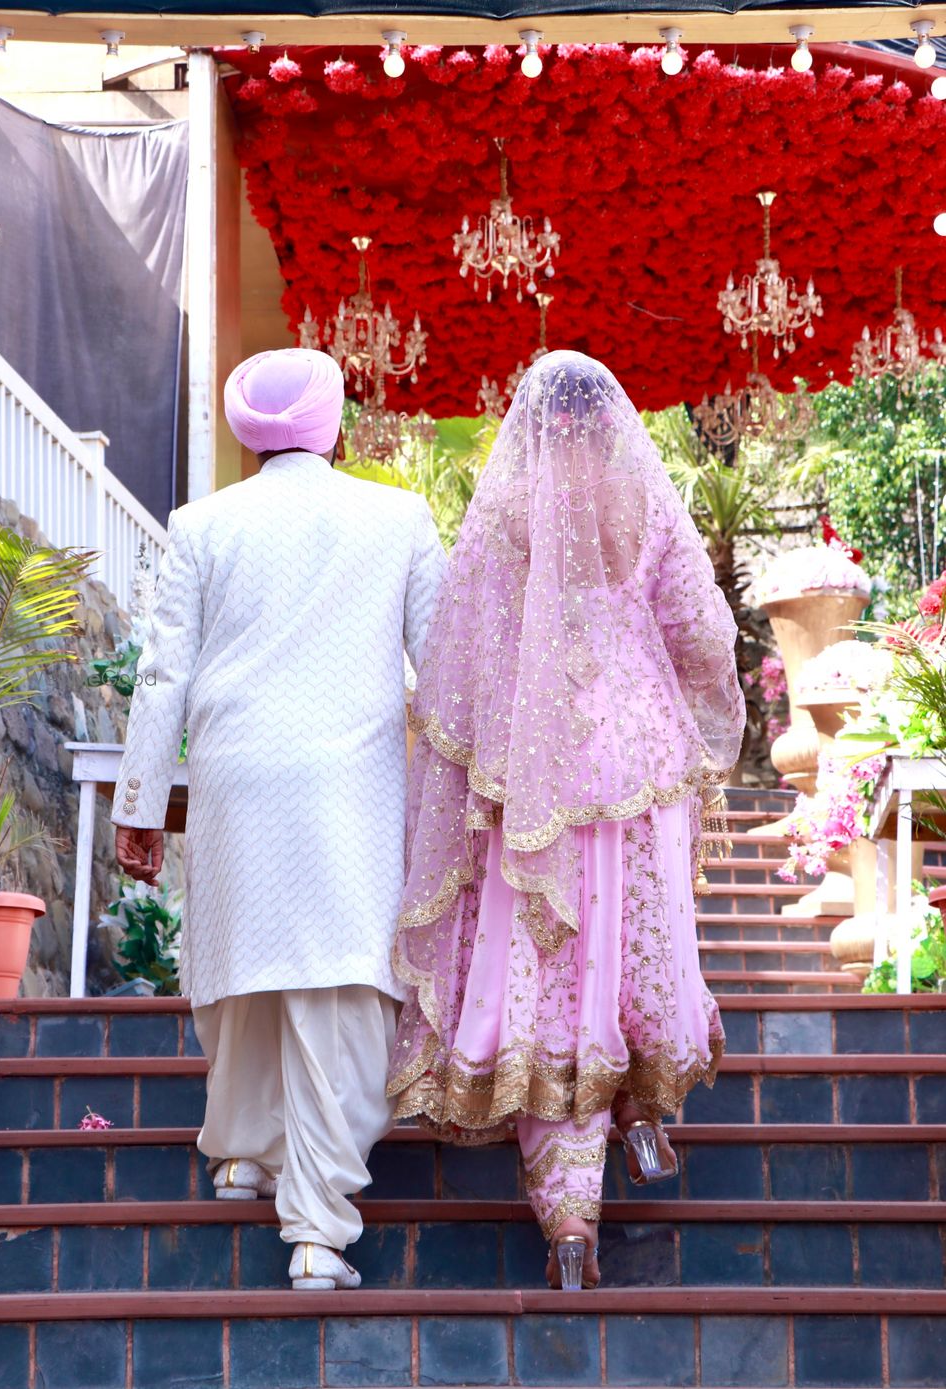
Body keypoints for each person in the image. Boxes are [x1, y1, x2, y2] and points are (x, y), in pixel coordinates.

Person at [387, 350, 745, 1291]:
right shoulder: (647, 500)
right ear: (612, 416)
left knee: (553, 977)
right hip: (639, 758)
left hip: (534, 767)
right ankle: (639, 1113)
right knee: (629, 949)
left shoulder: (509, 510)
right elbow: (705, 631)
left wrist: (462, 758)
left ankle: (572, 1223)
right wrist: (693, 696)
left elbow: (457, 647)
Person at [112, 348, 447, 1291]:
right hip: (349, 790)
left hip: (237, 784)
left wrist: (141, 804)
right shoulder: (398, 517)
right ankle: (317, 1233)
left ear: (241, 430)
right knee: (339, 986)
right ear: (334, 424)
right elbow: (449, 666)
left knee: (244, 972)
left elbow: (162, 677)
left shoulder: (201, 524)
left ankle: (244, 1157)